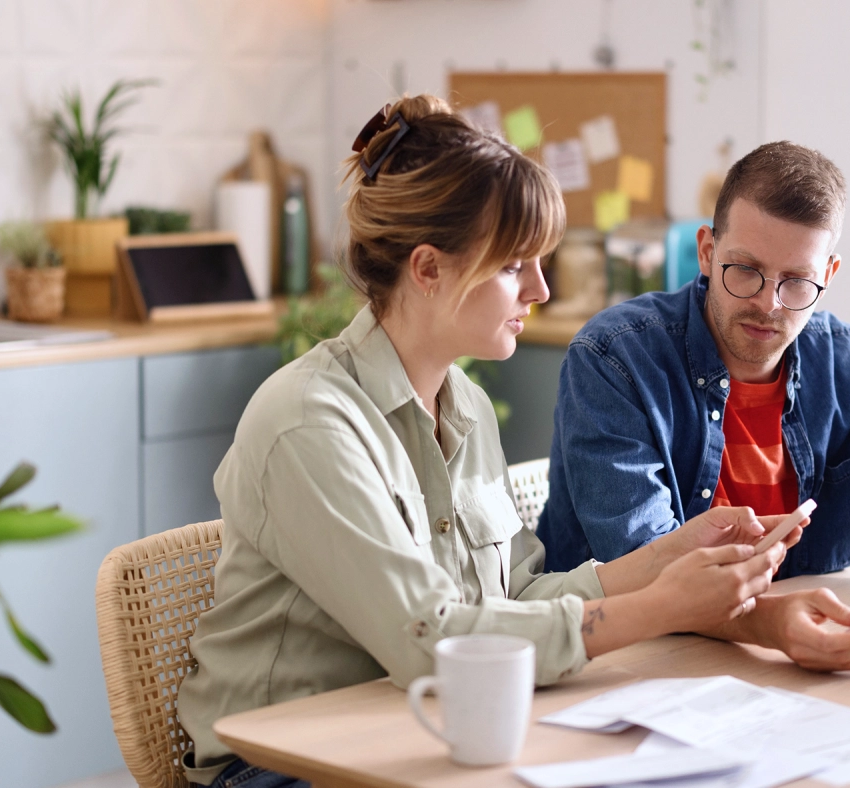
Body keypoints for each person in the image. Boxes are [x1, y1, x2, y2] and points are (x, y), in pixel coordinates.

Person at [177, 96, 799, 788]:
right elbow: (434, 643)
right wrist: (661, 607)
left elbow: (514, 595)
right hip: (279, 766)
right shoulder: (308, 422)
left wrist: (666, 558)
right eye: (513, 266)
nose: (539, 288)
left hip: (417, 730)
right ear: (428, 269)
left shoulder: (464, 403)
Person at [535, 140, 850, 673]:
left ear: (829, 274)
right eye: (745, 270)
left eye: (797, 281)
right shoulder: (615, 358)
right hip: (619, 662)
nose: (767, 303)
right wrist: (769, 622)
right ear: (707, 251)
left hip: (784, 663)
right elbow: (645, 566)